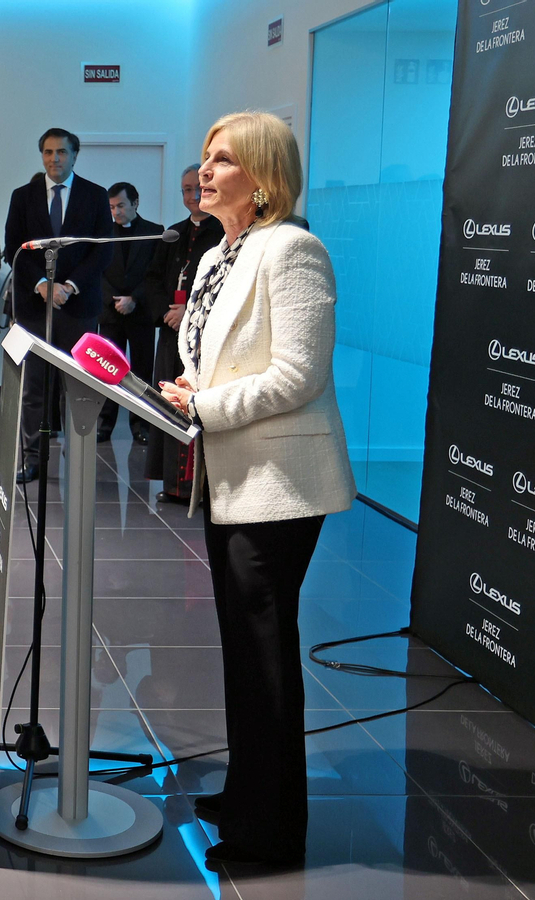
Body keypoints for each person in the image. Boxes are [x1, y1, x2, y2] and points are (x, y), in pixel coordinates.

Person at [157, 111, 355, 870]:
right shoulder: (218, 254)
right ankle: (248, 793)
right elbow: (216, 353)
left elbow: (299, 375)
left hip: (280, 485)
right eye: (205, 157)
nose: (205, 171)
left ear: (264, 176)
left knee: (264, 655)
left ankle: (270, 833)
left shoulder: (294, 250)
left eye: (222, 160)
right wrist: (189, 388)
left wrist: (205, 405)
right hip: (232, 477)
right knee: (244, 651)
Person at [2, 128, 113, 483]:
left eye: (62, 152)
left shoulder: (95, 195)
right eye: (48, 152)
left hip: (78, 308)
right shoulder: (23, 196)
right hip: (35, 308)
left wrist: (69, 286)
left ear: (75, 155)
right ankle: (32, 458)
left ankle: (76, 455)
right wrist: (42, 284)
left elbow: (103, 249)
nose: (54, 159)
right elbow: (13, 248)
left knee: (77, 387)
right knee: (34, 387)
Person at [144, 165, 224, 504]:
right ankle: (173, 484)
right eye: (186, 190)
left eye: (197, 188)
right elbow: (151, 279)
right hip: (170, 335)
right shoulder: (173, 234)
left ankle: (198, 488)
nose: (192, 195)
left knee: (195, 404)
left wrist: (187, 313)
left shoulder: (222, 232)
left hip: (203, 338)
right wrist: (166, 312)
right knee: (169, 403)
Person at [96, 181, 164, 443]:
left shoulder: (153, 232)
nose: (116, 212)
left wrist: (134, 298)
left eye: (121, 205)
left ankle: (141, 426)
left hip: (141, 312)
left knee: (142, 371)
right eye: (112, 207)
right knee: (107, 370)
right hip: (110, 313)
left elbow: (155, 273)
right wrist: (114, 300)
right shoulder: (103, 232)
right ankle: (104, 425)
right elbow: (98, 272)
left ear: (135, 203)